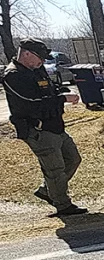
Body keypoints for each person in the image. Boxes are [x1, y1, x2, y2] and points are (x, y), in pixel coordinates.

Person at [4, 38, 87, 216]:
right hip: (38, 130)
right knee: (55, 169)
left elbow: (50, 88)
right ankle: (63, 205)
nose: (42, 61)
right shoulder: (14, 75)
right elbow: (33, 104)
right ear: (26, 53)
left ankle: (46, 191)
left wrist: (62, 92)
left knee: (73, 159)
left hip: (55, 125)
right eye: (39, 57)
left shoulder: (37, 69)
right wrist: (62, 99)